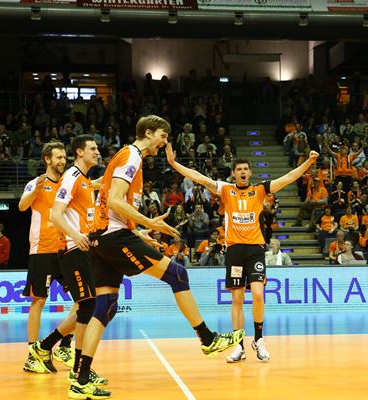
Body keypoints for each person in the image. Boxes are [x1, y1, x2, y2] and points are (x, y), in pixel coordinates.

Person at [71, 115, 244, 399]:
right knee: (178, 274)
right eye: (163, 136)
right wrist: (149, 223)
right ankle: (207, 338)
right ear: (148, 133)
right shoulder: (131, 156)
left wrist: (138, 232)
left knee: (105, 307)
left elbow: (111, 205)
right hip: (113, 236)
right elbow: (114, 200)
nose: (164, 142)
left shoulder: (127, 157)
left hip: (102, 237)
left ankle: (81, 377)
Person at [167, 140, 319, 363]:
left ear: (250, 172)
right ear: (233, 173)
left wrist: (309, 162)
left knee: (258, 294)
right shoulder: (226, 190)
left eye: (246, 169)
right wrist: (173, 163)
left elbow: (288, 178)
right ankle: (239, 346)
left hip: (255, 249)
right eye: (239, 169)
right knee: (237, 299)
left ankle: (259, 339)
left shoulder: (259, 190)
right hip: (235, 250)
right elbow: (199, 178)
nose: (243, 172)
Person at [28, 135, 108, 388]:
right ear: (79, 152)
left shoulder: (83, 180)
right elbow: (55, 214)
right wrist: (76, 236)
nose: (97, 152)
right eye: (93, 148)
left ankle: (50, 348)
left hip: (82, 249)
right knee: (86, 307)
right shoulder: (72, 176)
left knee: (87, 306)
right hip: (71, 249)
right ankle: (73, 366)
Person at [19, 141, 77, 373]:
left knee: (84, 299)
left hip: (65, 249)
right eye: (59, 157)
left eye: (64, 157)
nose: (63, 161)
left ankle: (64, 345)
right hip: (42, 249)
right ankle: (32, 355)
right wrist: (35, 189)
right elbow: (22, 206)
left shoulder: (66, 184)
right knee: (38, 301)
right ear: (47, 159)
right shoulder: (36, 182)